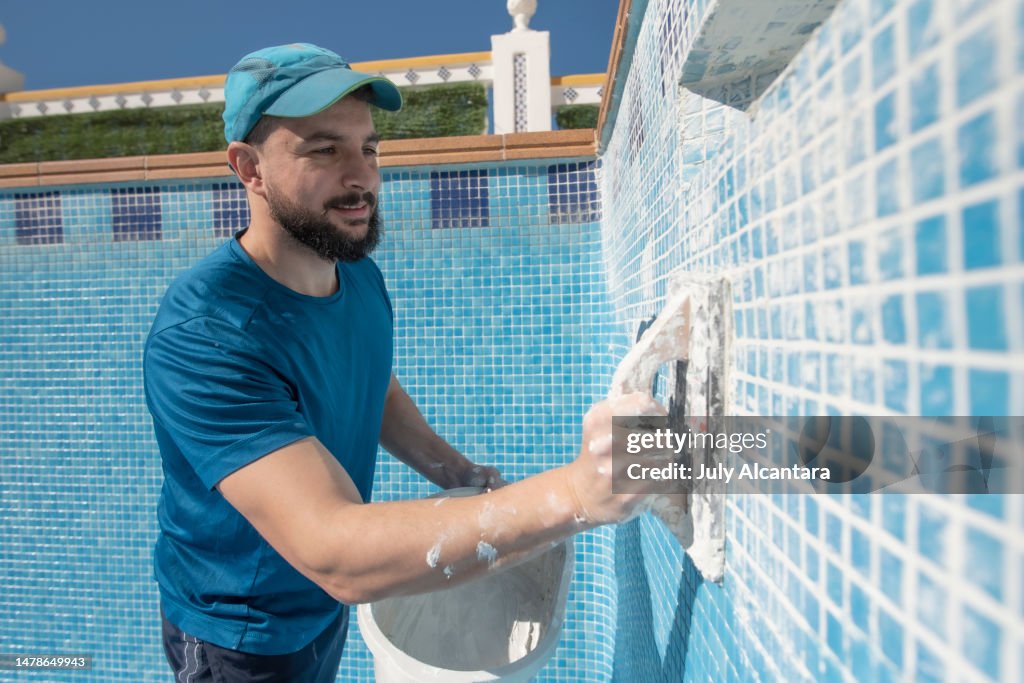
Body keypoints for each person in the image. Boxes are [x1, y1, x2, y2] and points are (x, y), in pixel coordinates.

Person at [144, 42, 657, 682]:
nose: (361, 175)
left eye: (369, 148)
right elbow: (332, 547)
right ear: (249, 167)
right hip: (242, 634)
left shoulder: (357, 280)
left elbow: (371, 385)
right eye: (324, 150)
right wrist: (576, 494)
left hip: (322, 606)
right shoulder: (207, 333)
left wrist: (452, 468)